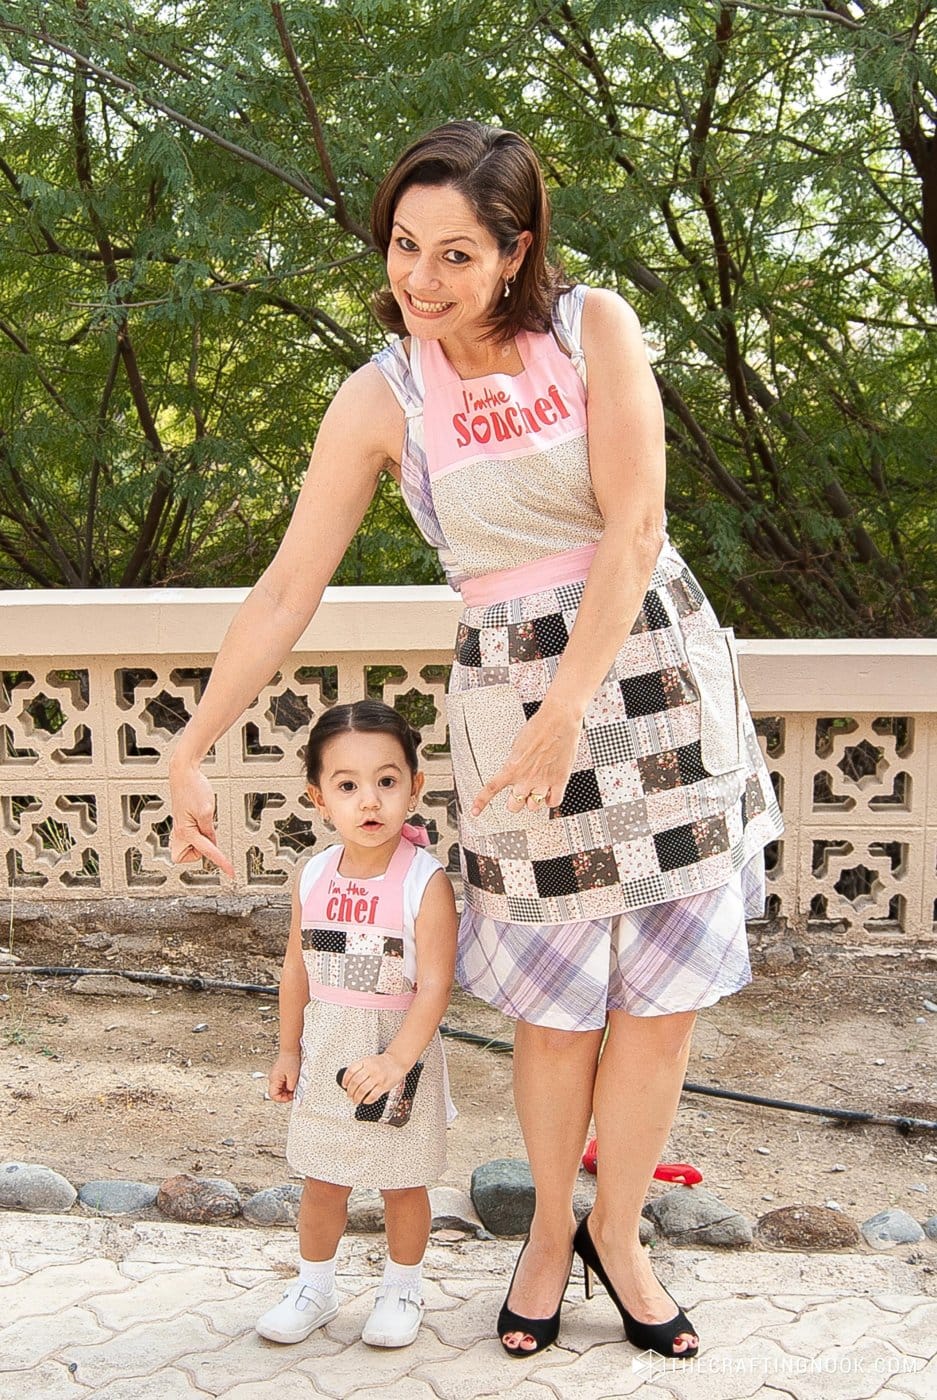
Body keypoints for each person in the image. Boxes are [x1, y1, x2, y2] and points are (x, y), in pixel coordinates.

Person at [170, 120, 783, 1361]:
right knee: (555, 1009)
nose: (423, 279)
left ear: (516, 252)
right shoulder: (381, 393)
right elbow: (288, 588)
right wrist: (191, 741)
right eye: (406, 247)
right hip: (508, 709)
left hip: (652, 684)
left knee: (658, 1002)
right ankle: (547, 1230)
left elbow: (636, 523)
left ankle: (623, 1233)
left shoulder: (592, 327)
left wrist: (573, 706)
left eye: (457, 253)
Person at [254, 700, 457, 1349]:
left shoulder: (423, 882)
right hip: (328, 1050)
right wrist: (287, 1048)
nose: (368, 800)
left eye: (386, 781)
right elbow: (295, 969)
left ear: (413, 787)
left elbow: (434, 985)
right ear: (319, 797)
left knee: (401, 1181)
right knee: (323, 1177)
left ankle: (401, 1287)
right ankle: (314, 1285)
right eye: (347, 785)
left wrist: (397, 1060)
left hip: (395, 1050)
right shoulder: (312, 874)